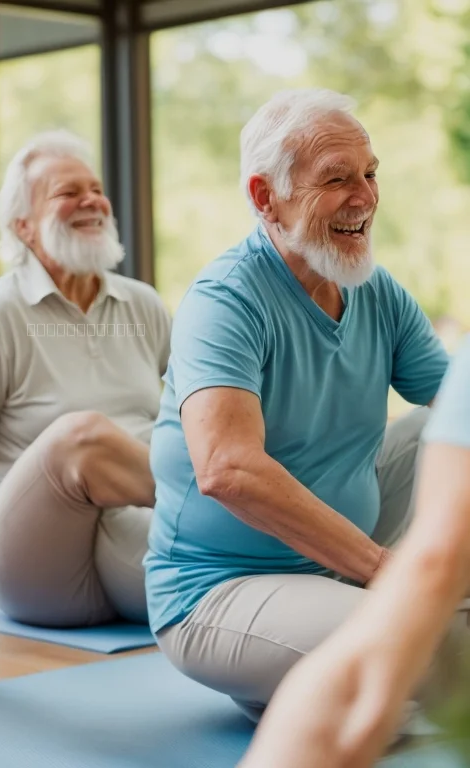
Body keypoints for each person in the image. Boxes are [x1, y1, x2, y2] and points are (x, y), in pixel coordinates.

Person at [144, 87, 459, 722]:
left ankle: (312, 670)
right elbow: (227, 469)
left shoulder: (375, 290)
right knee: (438, 653)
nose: (366, 197)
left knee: (450, 426)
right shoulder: (225, 300)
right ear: (266, 198)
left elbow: (457, 404)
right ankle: (310, 668)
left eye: (370, 174)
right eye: (337, 179)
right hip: (218, 592)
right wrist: (385, 572)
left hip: (338, 571)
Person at [0, 130, 171, 627]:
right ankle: (230, 509)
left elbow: (193, 414)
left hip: (133, 524)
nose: (91, 201)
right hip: (38, 558)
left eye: (95, 189)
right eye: (67, 193)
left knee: (229, 560)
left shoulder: (142, 303)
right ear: (24, 227)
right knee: (83, 439)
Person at [239, 336, 470, 768]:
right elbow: (437, 562)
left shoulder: (382, 298)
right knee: (388, 656)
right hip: (241, 586)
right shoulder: (231, 301)